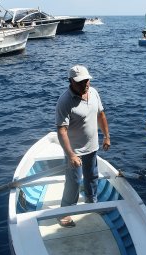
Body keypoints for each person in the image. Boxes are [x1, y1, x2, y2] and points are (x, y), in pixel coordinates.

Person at [55, 65, 110, 227]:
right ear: (71, 81)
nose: (85, 84)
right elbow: (61, 130)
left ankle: (92, 202)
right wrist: (71, 155)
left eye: (87, 80)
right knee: (74, 181)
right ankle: (64, 212)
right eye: (80, 82)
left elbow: (101, 114)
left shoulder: (93, 93)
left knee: (93, 177)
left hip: (92, 148)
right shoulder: (64, 101)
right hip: (75, 151)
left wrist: (106, 136)